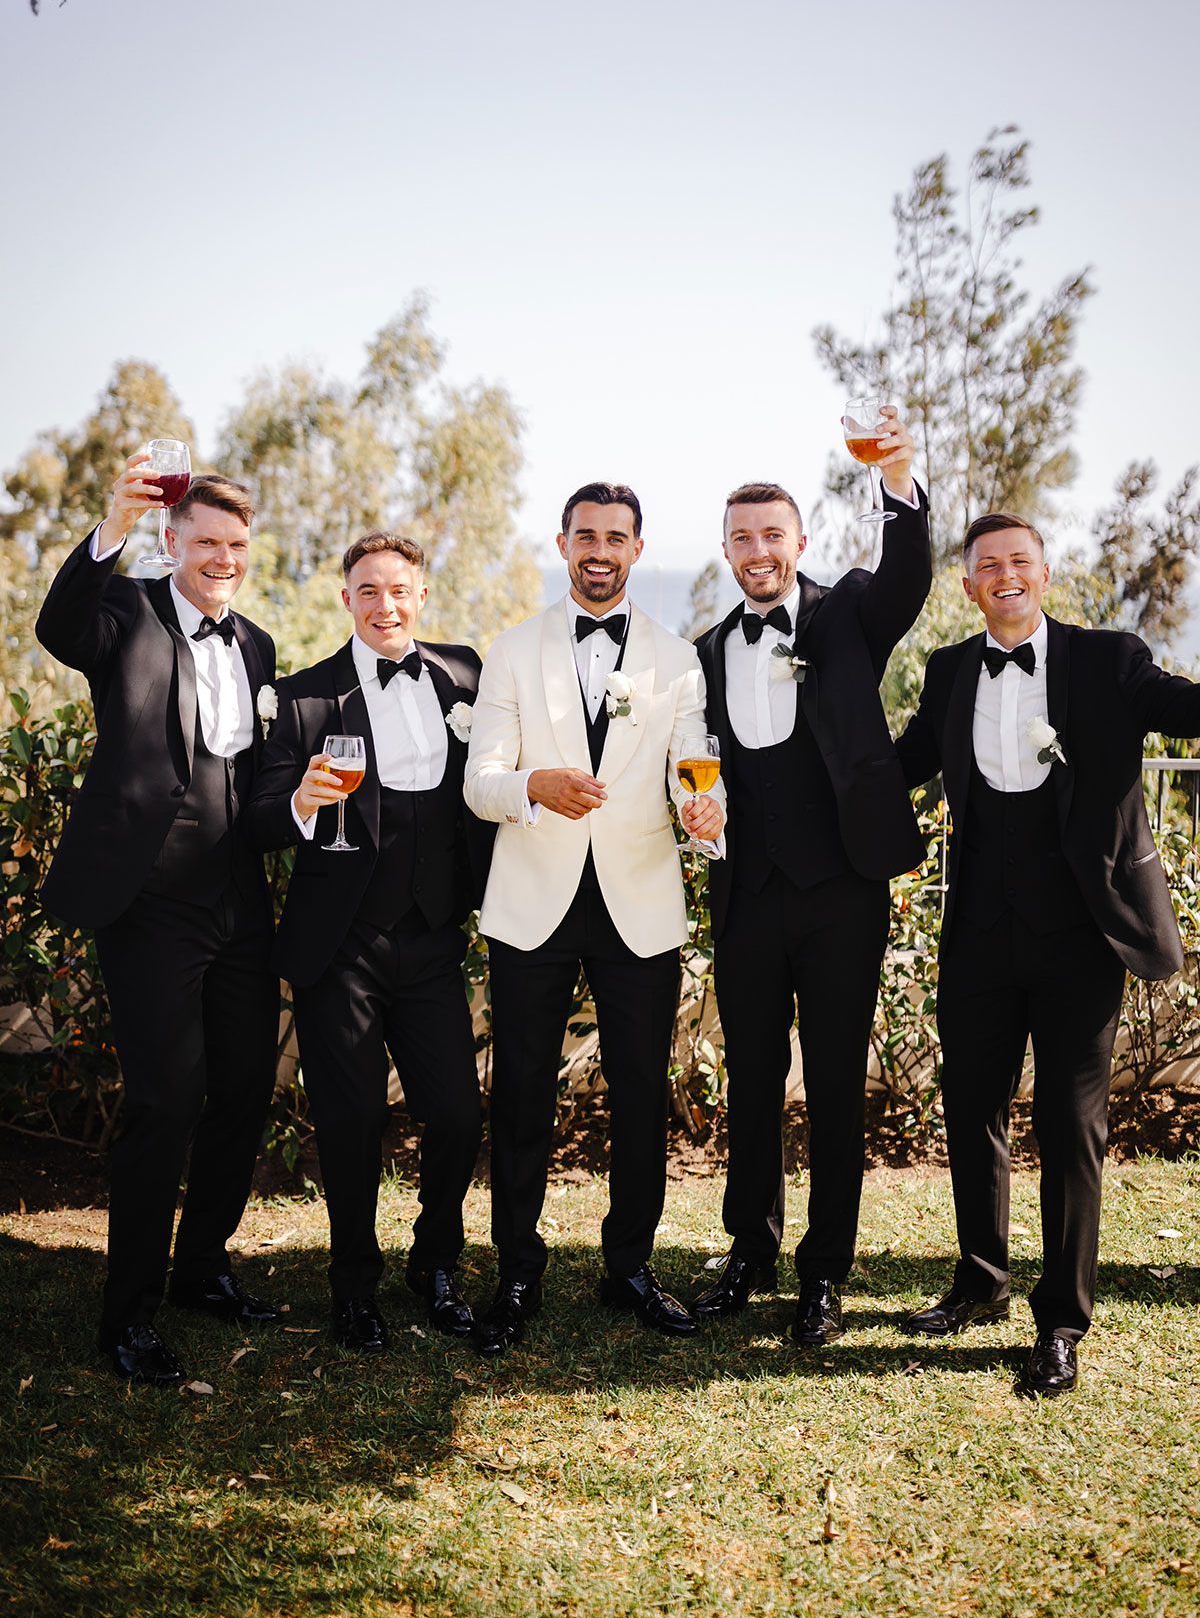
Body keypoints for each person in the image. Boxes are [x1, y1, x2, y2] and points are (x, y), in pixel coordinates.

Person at [894, 512, 1200, 1395]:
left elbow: (1182, 706)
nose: (1005, 575)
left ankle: (1061, 1318)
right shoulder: (953, 670)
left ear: (1045, 573)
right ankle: (980, 1280)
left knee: (1072, 1130)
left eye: (1019, 561)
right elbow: (903, 762)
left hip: (1081, 937)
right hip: (980, 934)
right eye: (988, 565)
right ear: (968, 585)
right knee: (971, 1107)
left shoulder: (1110, 660)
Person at [36, 455, 282, 1385]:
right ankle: (127, 1318)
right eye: (206, 542)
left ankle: (202, 1270)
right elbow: (58, 625)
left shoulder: (257, 646)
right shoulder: (127, 614)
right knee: (164, 1101)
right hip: (148, 901)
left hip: (237, 902)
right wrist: (110, 525)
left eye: (236, 545)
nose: (222, 557)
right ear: (173, 542)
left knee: (246, 1085)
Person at [463, 481, 724, 1355]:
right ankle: (516, 1271)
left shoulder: (677, 659)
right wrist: (532, 786)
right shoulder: (512, 649)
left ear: (638, 549)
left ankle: (631, 1267)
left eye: (616, 537)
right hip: (532, 901)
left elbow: (696, 766)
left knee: (642, 1096)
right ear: (564, 543)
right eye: (585, 536)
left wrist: (706, 811)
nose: (599, 550)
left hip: (639, 902)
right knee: (523, 1095)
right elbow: (480, 781)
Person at [690, 414, 931, 1345]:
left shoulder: (848, 616)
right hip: (747, 896)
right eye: (742, 538)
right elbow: (696, 765)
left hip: (842, 894)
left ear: (800, 542)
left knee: (833, 1085)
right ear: (725, 550)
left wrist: (898, 477)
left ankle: (823, 1274)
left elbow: (909, 575)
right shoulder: (707, 652)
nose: (759, 551)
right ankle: (749, 1255)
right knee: (751, 1082)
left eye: (773, 536)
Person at [247, 532, 492, 1353]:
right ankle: (354, 1286)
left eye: (399, 590)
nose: (385, 605)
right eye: (367, 591)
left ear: (421, 595)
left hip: (431, 942)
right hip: (338, 949)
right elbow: (259, 816)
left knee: (458, 1116)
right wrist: (305, 803)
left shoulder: (465, 676)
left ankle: (434, 1263)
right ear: (345, 599)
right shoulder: (306, 698)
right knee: (349, 1128)